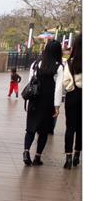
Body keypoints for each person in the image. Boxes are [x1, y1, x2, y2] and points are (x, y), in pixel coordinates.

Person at [23, 38, 64, 166]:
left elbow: (31, 82)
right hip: (48, 102)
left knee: (30, 128)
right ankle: (37, 157)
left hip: (34, 100)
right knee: (44, 131)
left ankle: (26, 151)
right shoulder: (58, 67)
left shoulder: (36, 64)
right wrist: (57, 106)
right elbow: (58, 88)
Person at [63, 34, 82, 169]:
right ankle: (77, 155)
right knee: (81, 127)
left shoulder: (70, 62)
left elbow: (65, 81)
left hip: (72, 95)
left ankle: (68, 157)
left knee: (70, 127)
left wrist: (70, 87)